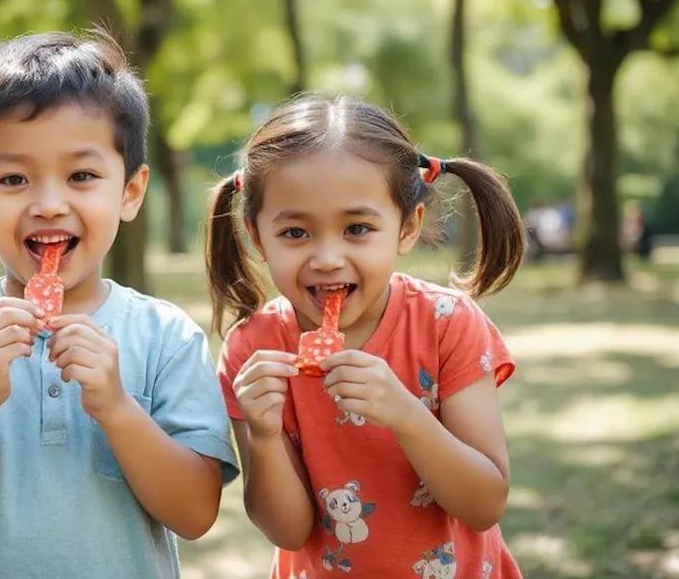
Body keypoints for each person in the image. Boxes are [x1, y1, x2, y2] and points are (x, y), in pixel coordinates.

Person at [0, 30, 239, 578]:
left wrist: (118, 407)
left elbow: (194, 514)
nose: (49, 203)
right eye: (14, 179)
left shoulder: (166, 335)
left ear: (130, 192)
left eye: (81, 175)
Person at [207, 95, 525, 577]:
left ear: (407, 227)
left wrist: (406, 415)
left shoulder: (447, 323)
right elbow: (288, 532)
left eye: (357, 228)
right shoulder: (255, 350)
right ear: (256, 236)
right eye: (295, 233)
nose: (327, 258)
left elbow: (484, 505)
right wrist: (266, 437)